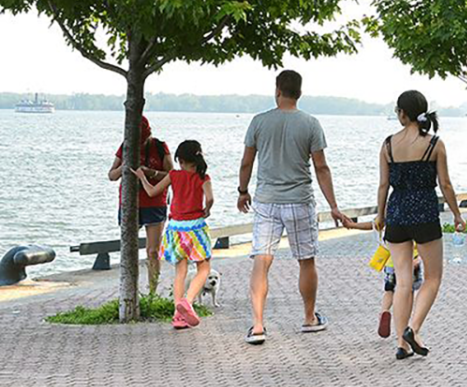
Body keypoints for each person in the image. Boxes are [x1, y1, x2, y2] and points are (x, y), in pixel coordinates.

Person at [237, 70, 346, 345]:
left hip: (266, 202)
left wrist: (242, 191)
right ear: (300, 92)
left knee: (262, 260)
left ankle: (258, 325)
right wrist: (333, 205)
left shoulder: (259, 122)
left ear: (277, 90)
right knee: (306, 260)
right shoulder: (310, 123)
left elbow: (247, 162)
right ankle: (309, 319)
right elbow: (321, 167)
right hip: (299, 200)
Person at [375, 90, 465, 359]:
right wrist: (457, 214)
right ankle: (413, 329)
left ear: (402, 113)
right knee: (433, 277)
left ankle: (401, 346)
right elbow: (445, 184)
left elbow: (383, 185)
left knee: (403, 281)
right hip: (425, 214)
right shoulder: (434, 144)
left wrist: (380, 215)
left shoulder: (388, 145)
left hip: (397, 215)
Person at [135, 139, 213, 329]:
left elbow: (153, 192)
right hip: (195, 228)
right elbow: (210, 198)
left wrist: (142, 177)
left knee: (180, 271)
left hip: (175, 228)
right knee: (204, 269)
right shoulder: (204, 177)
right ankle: (188, 301)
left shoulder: (173, 175)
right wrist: (206, 209)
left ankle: (178, 317)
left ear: (180, 159)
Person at [108, 115, 172, 293]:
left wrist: (150, 172)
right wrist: (125, 166)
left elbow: (171, 175)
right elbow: (111, 175)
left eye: (143, 139)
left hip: (155, 202)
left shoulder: (160, 147)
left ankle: (152, 290)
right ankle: (129, 290)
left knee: (152, 251)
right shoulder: (126, 146)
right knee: (128, 249)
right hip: (129, 204)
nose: (141, 142)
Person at [339, 218, 423, 339]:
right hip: (410, 261)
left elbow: (374, 224)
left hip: (391, 263)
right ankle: (403, 328)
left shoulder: (391, 213)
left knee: (389, 291)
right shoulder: (415, 215)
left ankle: (384, 310)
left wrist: (352, 225)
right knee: (406, 293)